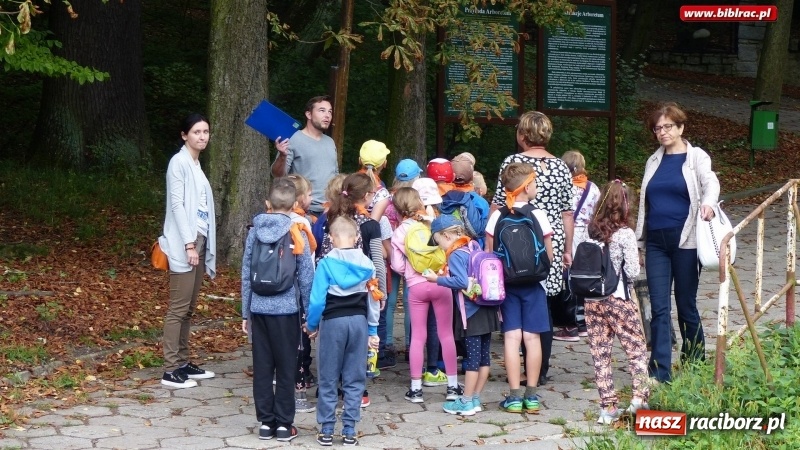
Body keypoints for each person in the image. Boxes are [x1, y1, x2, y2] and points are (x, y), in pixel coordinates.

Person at [635, 102, 720, 383]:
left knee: (686, 305)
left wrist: (708, 204)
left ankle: (695, 362)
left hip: (687, 241)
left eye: (668, 126)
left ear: (681, 127)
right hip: (656, 243)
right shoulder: (653, 160)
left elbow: (711, 183)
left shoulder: (696, 157)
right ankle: (660, 371)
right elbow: (644, 204)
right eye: (658, 128)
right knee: (658, 307)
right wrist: (639, 243)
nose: (662, 132)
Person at [491, 110, 574, 386]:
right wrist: (567, 248)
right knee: (543, 303)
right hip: (548, 241)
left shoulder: (513, 162)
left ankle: (522, 370)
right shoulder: (562, 167)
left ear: (522, 135)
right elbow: (567, 213)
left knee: (516, 299)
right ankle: (541, 370)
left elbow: (498, 204)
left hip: (514, 244)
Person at [241, 178, 314, 441]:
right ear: (295, 205)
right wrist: (309, 316)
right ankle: (284, 424)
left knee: (262, 367)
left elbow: (247, 273)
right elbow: (306, 276)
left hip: (259, 308)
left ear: (268, 204)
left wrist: (245, 312)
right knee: (286, 367)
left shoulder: (253, 231)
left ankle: (265, 423)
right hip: (286, 311)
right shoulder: (298, 231)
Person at [305, 216, 381, 447]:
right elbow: (373, 300)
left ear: (330, 238)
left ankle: (327, 429)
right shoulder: (368, 264)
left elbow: (317, 300)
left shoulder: (325, 264)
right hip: (358, 322)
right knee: (354, 376)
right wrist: (373, 329)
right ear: (357, 238)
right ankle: (350, 429)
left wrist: (311, 325)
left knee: (328, 376)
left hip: (332, 323)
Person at [484, 163, 553, 414]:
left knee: (512, 339)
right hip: (534, 286)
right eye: (534, 183)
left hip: (507, 286)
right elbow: (550, 254)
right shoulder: (539, 214)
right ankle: (532, 396)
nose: (536, 187)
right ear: (526, 187)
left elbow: (489, 255)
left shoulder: (497, 216)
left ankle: (513, 396)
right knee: (532, 338)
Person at [318, 172, 387, 408]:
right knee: (358, 346)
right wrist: (382, 292)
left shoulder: (332, 218)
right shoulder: (370, 225)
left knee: (332, 345)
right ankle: (358, 391)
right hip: (361, 290)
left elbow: (322, 252)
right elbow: (377, 261)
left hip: (331, 286)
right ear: (367, 196)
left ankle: (329, 388)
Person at [158, 113, 217, 389]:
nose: (202, 136)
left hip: (200, 239)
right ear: (184, 135)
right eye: (196, 132)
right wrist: (189, 244)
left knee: (190, 308)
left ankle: (183, 361)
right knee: (178, 307)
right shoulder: (178, 162)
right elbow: (177, 206)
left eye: (205, 131)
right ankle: (170, 370)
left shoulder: (195, 163)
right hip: (186, 242)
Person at [585, 180, 650, 424]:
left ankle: (607, 408)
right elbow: (632, 271)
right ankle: (639, 398)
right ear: (625, 205)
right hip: (618, 297)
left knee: (600, 353)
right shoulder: (624, 234)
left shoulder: (590, 232)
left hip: (592, 300)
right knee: (636, 349)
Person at [422, 215, 500, 416]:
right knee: (484, 358)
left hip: (472, 311)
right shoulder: (474, 245)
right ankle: (475, 398)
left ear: (446, 235)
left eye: (438, 241)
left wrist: (436, 279)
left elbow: (461, 282)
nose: (439, 247)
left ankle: (465, 402)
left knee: (472, 359)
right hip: (488, 308)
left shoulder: (456, 254)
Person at [391, 188, 461, 405]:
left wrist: (411, 273)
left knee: (417, 336)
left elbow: (396, 264)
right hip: (440, 282)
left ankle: (415, 389)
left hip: (416, 287)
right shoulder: (431, 223)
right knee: (446, 334)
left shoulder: (399, 232)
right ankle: (452, 386)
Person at [554, 150, 602, 341]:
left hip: (568, 234)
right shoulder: (593, 188)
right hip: (586, 236)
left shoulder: (563, 188)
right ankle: (583, 323)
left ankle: (570, 325)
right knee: (584, 278)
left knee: (568, 278)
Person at [357, 140, 396, 369]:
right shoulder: (381, 192)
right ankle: (377, 354)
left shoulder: (350, 183)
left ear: (360, 160)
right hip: (373, 246)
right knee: (377, 298)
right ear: (385, 163)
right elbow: (376, 223)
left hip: (350, 243)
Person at [271, 95, 338, 217]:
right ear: (308, 114)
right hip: (303, 210)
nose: (327, 115)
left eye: (330, 112)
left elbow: (336, 176)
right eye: (322, 111)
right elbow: (277, 175)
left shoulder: (330, 142)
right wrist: (282, 156)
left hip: (330, 210)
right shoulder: (293, 138)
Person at [286, 174, 318, 413]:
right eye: (308, 194)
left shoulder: (274, 219)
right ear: (298, 199)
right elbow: (308, 261)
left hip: (277, 289)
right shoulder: (302, 223)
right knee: (301, 337)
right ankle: (301, 378)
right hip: (299, 288)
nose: (311, 197)